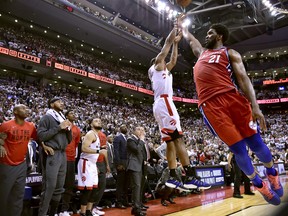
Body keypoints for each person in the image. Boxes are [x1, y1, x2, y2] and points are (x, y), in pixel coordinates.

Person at [181, 21, 283, 205]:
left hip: (233, 99)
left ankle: (272, 173)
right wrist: (182, 27)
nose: (207, 36)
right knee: (238, 150)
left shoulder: (230, 53)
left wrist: (256, 106)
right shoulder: (201, 54)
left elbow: (243, 79)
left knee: (256, 143)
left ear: (219, 36)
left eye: (210, 33)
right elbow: (191, 40)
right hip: (210, 106)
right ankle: (260, 185)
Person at [148, 25, 210, 191]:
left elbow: (173, 60)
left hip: (159, 106)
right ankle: (189, 175)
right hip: (165, 103)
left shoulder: (163, 71)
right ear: (156, 63)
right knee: (178, 139)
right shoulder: (157, 67)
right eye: (160, 59)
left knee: (169, 142)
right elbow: (166, 45)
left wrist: (176, 44)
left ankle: (173, 176)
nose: (163, 60)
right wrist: (176, 28)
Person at [37, 97, 72, 216]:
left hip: (62, 154)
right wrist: (59, 127)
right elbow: (41, 136)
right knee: (49, 187)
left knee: (59, 187)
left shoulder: (62, 118)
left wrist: (68, 129)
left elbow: (69, 140)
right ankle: (42, 214)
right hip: (52, 154)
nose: (62, 103)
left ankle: (53, 213)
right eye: (59, 101)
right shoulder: (47, 117)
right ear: (52, 104)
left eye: (62, 102)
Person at [0, 104, 37, 216]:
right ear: (15, 112)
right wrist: (0, 145)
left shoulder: (31, 126)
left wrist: (44, 146)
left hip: (21, 164)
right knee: (3, 195)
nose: (26, 110)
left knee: (18, 195)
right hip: (7, 164)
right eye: (23, 108)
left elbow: (37, 139)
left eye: (27, 108)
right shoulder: (6, 125)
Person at [77, 118, 103, 216]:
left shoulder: (97, 135)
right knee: (87, 189)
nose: (99, 122)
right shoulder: (90, 134)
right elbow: (83, 148)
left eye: (100, 121)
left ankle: (89, 211)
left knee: (95, 189)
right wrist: (98, 151)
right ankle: (83, 212)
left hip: (92, 164)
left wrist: (95, 165)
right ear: (91, 124)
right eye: (96, 121)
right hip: (85, 163)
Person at [61, 110, 81, 214]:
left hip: (71, 158)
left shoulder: (77, 129)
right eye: (71, 113)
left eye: (75, 113)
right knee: (58, 185)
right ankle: (54, 210)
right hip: (60, 157)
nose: (74, 114)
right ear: (66, 115)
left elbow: (76, 143)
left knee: (69, 185)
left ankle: (64, 209)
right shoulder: (61, 125)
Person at [127, 126, 147, 216]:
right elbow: (137, 150)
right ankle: (136, 208)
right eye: (138, 129)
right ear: (134, 131)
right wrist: (142, 140)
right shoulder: (130, 139)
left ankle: (137, 206)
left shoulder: (140, 141)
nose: (141, 131)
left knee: (139, 187)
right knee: (136, 187)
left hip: (141, 166)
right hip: (134, 166)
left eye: (142, 130)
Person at [113, 124, 131, 208]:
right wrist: (118, 164)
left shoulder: (128, 138)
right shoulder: (118, 137)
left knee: (126, 184)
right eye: (123, 126)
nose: (125, 127)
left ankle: (125, 201)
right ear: (120, 129)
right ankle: (118, 202)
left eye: (126, 126)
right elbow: (116, 151)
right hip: (121, 162)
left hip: (128, 162)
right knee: (120, 184)